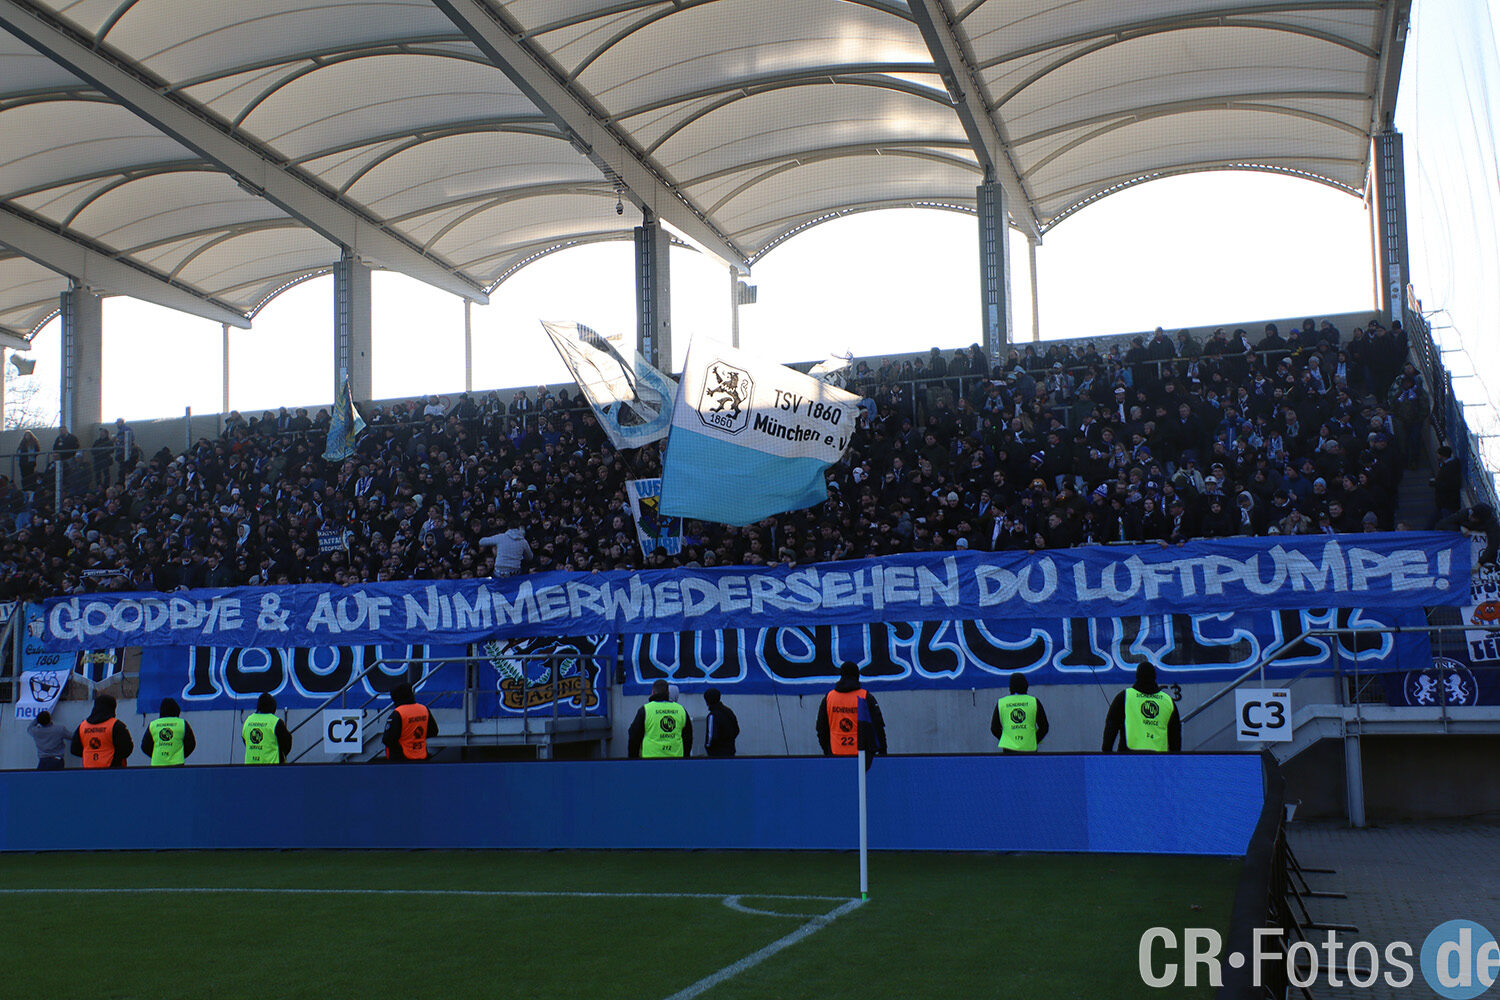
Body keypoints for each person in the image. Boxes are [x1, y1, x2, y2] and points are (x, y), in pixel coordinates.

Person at [1101, 663, 1180, 752]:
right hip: (1159, 759)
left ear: (1137, 676)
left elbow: (1111, 727)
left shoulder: (1125, 697)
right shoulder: (1167, 701)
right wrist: (1174, 759)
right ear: (1154, 676)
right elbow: (1175, 735)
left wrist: (1106, 753)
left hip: (1129, 757)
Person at [815, 662, 887, 758]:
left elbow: (821, 728)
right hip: (862, 757)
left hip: (835, 754)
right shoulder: (865, 697)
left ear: (841, 675)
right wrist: (883, 752)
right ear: (857, 676)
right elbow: (878, 727)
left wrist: (827, 751)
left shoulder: (829, 698)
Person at [627, 679, 692, 758]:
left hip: (651, 760)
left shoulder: (646, 710)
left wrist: (633, 759)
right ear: (668, 693)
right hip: (676, 760)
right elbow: (688, 738)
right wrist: (686, 758)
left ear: (653, 692)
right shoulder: (681, 710)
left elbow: (634, 736)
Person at [70, 693, 133, 768]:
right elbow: (127, 749)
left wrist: (90, 755)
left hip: (88, 769)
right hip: (113, 770)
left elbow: (74, 749)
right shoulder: (116, 725)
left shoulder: (83, 726)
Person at [991, 673, 1049, 753]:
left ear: (1010, 687)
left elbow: (994, 728)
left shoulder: (1002, 703)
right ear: (1026, 685)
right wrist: (1033, 740)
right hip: (1030, 748)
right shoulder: (1034, 702)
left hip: (1008, 749)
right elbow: (1044, 727)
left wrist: (1007, 739)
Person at [382, 681, 437, 762]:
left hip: (401, 758)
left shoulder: (398, 713)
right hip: (422, 755)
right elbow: (434, 731)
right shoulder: (424, 709)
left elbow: (387, 739)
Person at [1437, 503, 1500, 569]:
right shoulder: (1465, 513)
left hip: (1476, 557)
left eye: (1473, 516)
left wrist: (1480, 563)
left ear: (1479, 519)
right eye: (1470, 513)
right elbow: (1442, 524)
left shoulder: (1492, 525)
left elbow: (1493, 545)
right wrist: (1461, 527)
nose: (1470, 516)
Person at [140, 697, 196, 766]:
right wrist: (180, 755)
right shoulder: (182, 723)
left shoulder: (153, 725)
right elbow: (191, 744)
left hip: (157, 764)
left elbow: (145, 746)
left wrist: (156, 755)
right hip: (177, 764)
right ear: (177, 710)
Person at [242, 692, 292, 764]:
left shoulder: (248, 721)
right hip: (272, 768)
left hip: (250, 767)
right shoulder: (275, 722)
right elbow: (287, 744)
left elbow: (245, 741)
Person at [702, 687, 739, 757]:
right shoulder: (729, 711)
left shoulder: (712, 716)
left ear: (707, 701)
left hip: (717, 754)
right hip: (730, 751)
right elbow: (736, 730)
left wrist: (708, 748)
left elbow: (711, 737)